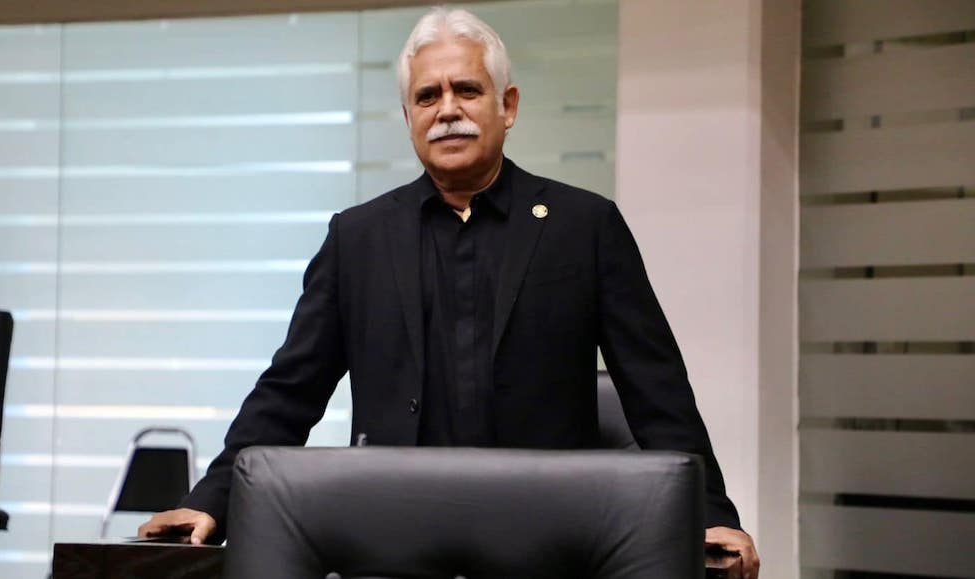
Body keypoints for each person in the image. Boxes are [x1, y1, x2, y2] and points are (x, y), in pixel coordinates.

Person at [140, 8, 759, 577]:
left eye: (467, 90)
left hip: (547, 542)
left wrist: (710, 513)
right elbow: (290, 390)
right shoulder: (358, 237)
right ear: (408, 115)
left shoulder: (584, 226)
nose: (447, 110)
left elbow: (655, 386)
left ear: (507, 105)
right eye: (427, 96)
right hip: (391, 542)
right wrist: (212, 498)